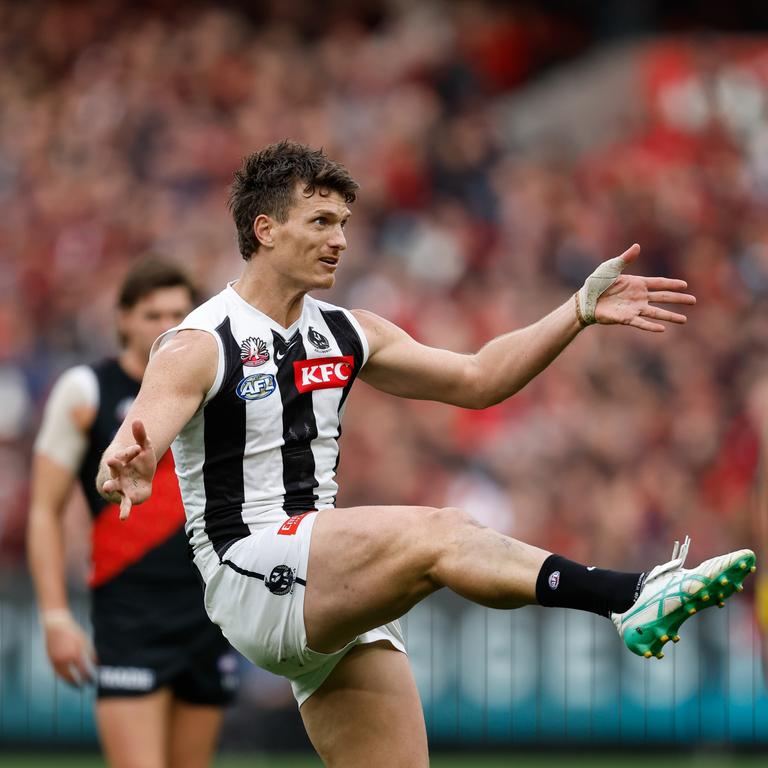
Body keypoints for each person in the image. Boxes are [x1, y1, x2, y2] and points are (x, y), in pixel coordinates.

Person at [96, 141, 756, 767]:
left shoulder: (349, 331)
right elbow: (143, 429)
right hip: (252, 569)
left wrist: (576, 311)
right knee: (442, 531)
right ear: (265, 229)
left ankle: (631, 598)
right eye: (322, 221)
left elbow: (479, 378)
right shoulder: (199, 342)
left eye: (345, 222)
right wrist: (129, 456)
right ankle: (630, 595)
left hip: (326, 585)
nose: (341, 240)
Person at [28, 258, 239, 768]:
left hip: (210, 610)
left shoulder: (217, 388)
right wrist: (56, 617)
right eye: (151, 313)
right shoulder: (86, 392)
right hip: (129, 614)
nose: (166, 325)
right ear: (122, 318)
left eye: (179, 312)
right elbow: (43, 511)